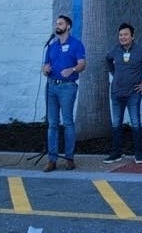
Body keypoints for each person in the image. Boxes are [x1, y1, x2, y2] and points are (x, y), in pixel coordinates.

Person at [103, 23, 142, 164]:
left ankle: (138, 155)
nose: (122, 37)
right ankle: (116, 154)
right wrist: (114, 74)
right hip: (116, 93)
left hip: (133, 94)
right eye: (120, 35)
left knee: (135, 123)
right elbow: (108, 59)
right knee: (116, 124)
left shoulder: (140, 51)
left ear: (132, 36)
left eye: (126, 34)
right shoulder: (116, 50)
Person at [41, 14, 86, 172]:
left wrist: (72, 69)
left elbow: (82, 64)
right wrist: (45, 70)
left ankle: (69, 158)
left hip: (67, 87)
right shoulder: (51, 46)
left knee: (67, 122)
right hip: (51, 87)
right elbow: (45, 67)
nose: (57, 26)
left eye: (60, 24)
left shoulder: (76, 44)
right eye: (56, 24)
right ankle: (52, 160)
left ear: (68, 27)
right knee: (52, 124)